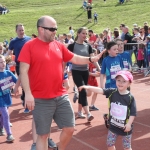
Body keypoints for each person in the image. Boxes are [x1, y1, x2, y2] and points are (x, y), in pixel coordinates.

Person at [18, 16, 101, 150]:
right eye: (52, 29)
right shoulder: (29, 46)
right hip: (40, 98)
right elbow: (23, 71)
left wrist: (91, 59)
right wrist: (27, 93)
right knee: (43, 135)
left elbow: (74, 58)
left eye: (56, 28)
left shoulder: (58, 45)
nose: (55, 31)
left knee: (70, 128)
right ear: (41, 29)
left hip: (60, 95)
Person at [79, 70, 137, 150]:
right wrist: (88, 87)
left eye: (124, 81)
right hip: (113, 126)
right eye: (118, 80)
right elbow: (100, 90)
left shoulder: (130, 98)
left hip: (125, 127)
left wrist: (129, 124)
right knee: (110, 144)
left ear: (129, 83)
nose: (120, 83)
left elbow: (133, 113)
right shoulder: (112, 92)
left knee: (127, 147)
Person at [68, 27, 100, 121]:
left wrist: (99, 68)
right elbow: (65, 59)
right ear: (78, 34)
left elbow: (92, 59)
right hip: (76, 71)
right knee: (83, 90)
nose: (85, 35)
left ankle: (79, 111)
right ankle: (88, 113)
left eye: (86, 34)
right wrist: (63, 70)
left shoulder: (88, 46)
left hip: (85, 71)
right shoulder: (72, 46)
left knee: (82, 91)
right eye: (83, 33)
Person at [6, 23, 31, 113]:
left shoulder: (29, 39)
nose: (21, 32)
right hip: (19, 66)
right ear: (16, 31)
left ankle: (25, 98)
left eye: (23, 30)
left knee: (31, 85)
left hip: (30, 65)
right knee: (25, 85)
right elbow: (8, 53)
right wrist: (3, 60)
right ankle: (26, 104)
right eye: (20, 30)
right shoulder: (13, 42)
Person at [0, 55, 20, 142]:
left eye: (4, 61)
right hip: (0, 98)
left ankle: (1, 128)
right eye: (0, 62)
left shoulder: (8, 72)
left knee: (2, 115)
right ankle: (9, 134)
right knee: (5, 114)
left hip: (7, 97)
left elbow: (17, 81)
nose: (3, 63)